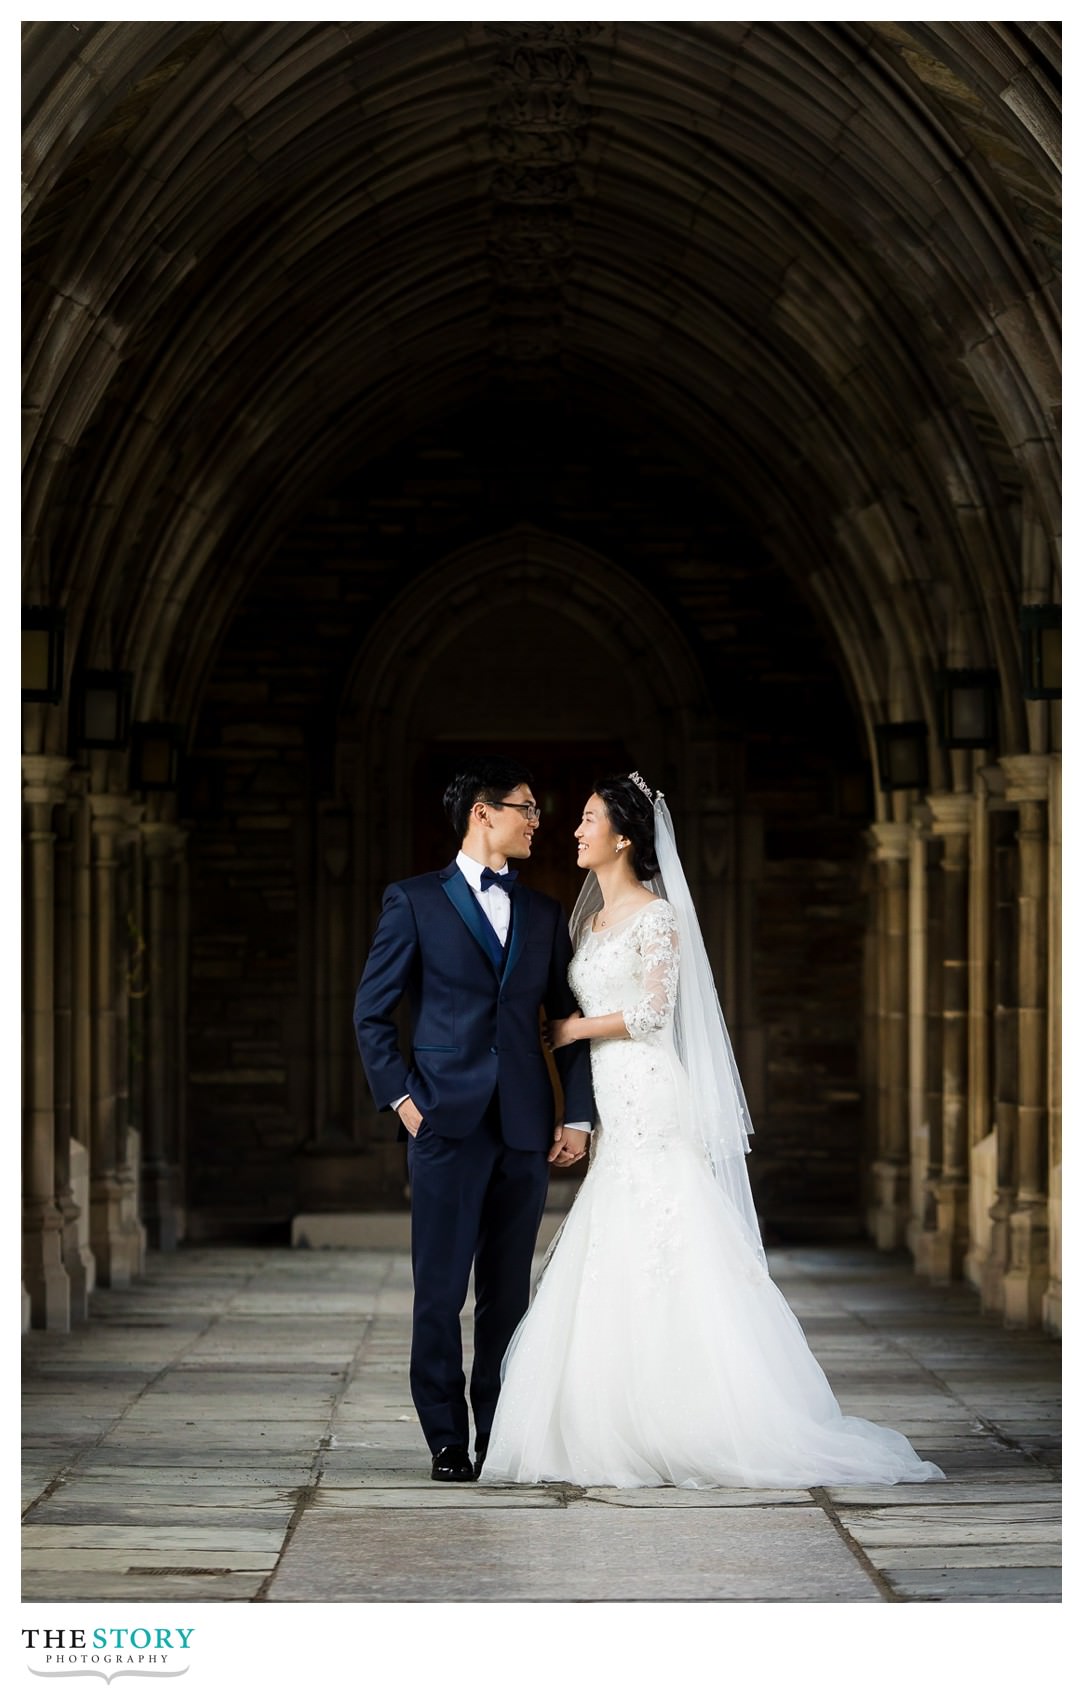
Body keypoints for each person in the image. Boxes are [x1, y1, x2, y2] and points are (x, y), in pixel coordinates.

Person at [480, 771, 945, 1490]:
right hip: (614, 1092)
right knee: (616, 1230)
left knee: (664, 1222)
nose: (574, 829)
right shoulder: (588, 922)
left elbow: (654, 1013)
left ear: (625, 837)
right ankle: (616, 1409)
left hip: (650, 1091)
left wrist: (573, 1026)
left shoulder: (655, 916)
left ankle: (699, 1415)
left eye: (589, 818)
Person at [353, 756, 594, 1483]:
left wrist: (576, 1116)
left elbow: (567, 1019)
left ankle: (499, 1431)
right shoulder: (413, 901)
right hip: (443, 1126)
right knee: (439, 1289)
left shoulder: (546, 914)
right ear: (482, 813)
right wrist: (403, 1103)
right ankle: (444, 1439)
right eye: (525, 807)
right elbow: (371, 1013)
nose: (537, 821)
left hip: (523, 1127)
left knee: (506, 1294)